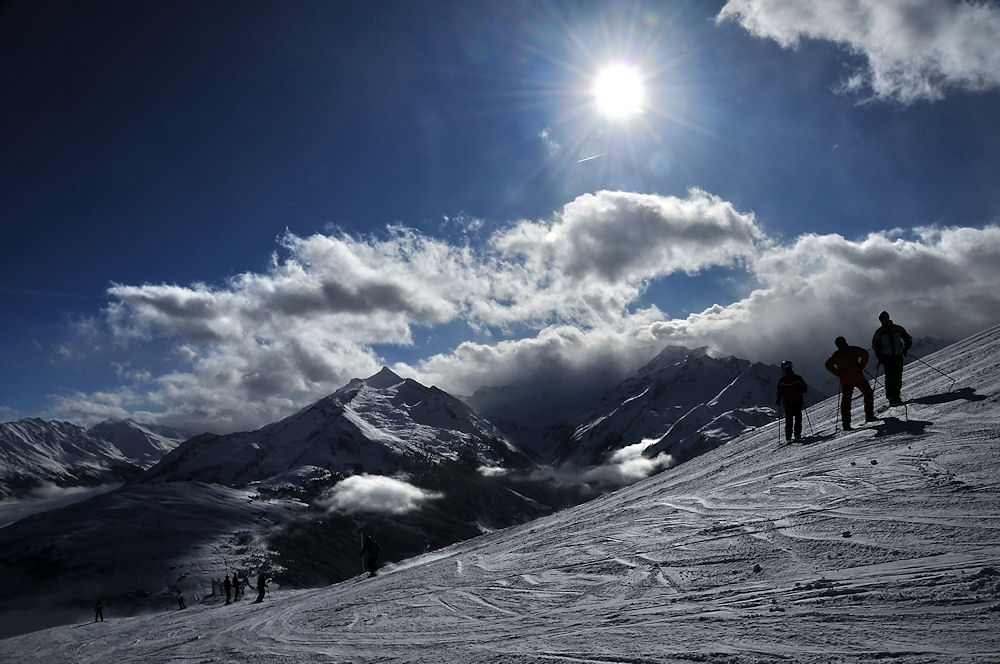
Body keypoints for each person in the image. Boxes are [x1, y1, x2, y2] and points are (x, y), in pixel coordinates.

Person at [825, 336, 876, 430]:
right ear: (845, 342)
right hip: (858, 376)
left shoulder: (836, 354)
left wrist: (838, 373)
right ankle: (869, 415)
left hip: (846, 380)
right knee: (868, 393)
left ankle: (846, 423)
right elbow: (865, 354)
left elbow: (828, 364)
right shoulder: (852, 349)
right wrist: (861, 366)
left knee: (846, 401)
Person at [872, 310, 912, 406]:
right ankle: (891, 397)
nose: (884, 321)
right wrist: (880, 357)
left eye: (885, 318)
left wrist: (905, 348)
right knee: (890, 377)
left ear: (888, 318)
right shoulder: (880, 332)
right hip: (888, 357)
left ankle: (896, 396)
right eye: (882, 320)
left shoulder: (897, 328)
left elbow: (908, 338)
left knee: (897, 376)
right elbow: (875, 346)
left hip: (898, 355)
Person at [776, 360, 808, 442]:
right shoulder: (797, 378)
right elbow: (805, 389)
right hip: (797, 401)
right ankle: (797, 435)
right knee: (797, 419)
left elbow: (779, 392)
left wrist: (779, 399)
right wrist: (800, 389)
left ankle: (788, 437)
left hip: (788, 403)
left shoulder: (782, 380)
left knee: (789, 421)